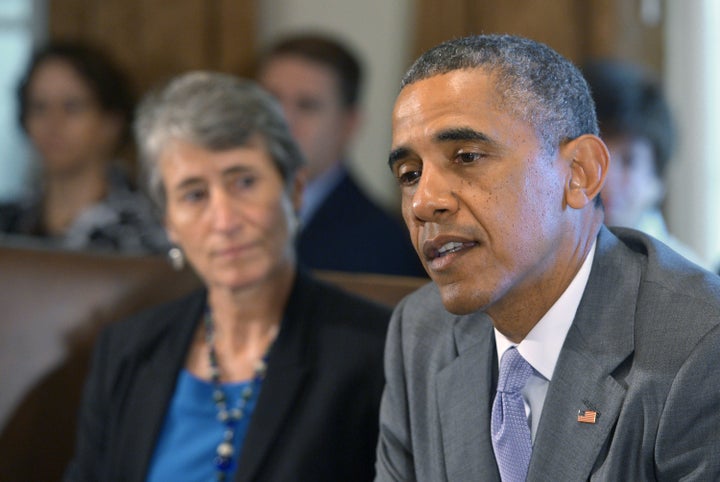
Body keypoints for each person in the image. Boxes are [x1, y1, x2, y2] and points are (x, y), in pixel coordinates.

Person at [375, 34, 720, 481]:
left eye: (467, 157)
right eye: (410, 174)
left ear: (580, 173)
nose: (424, 202)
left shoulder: (699, 344)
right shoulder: (420, 333)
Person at [64, 72, 391, 481]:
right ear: (170, 224)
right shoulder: (128, 351)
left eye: (244, 182)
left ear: (295, 191)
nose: (224, 220)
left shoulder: (376, 353)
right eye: (194, 194)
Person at [256, 33, 425, 276]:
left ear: (348, 124)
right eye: (270, 100)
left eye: (307, 105)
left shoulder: (385, 243)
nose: (282, 120)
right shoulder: (218, 211)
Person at [0, 41, 168, 254]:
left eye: (72, 107)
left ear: (112, 121)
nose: (53, 123)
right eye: (39, 107)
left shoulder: (150, 230)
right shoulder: (7, 224)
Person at [582, 58, 708, 268]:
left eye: (629, 161)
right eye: (593, 155)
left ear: (657, 182)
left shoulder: (689, 279)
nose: (606, 178)